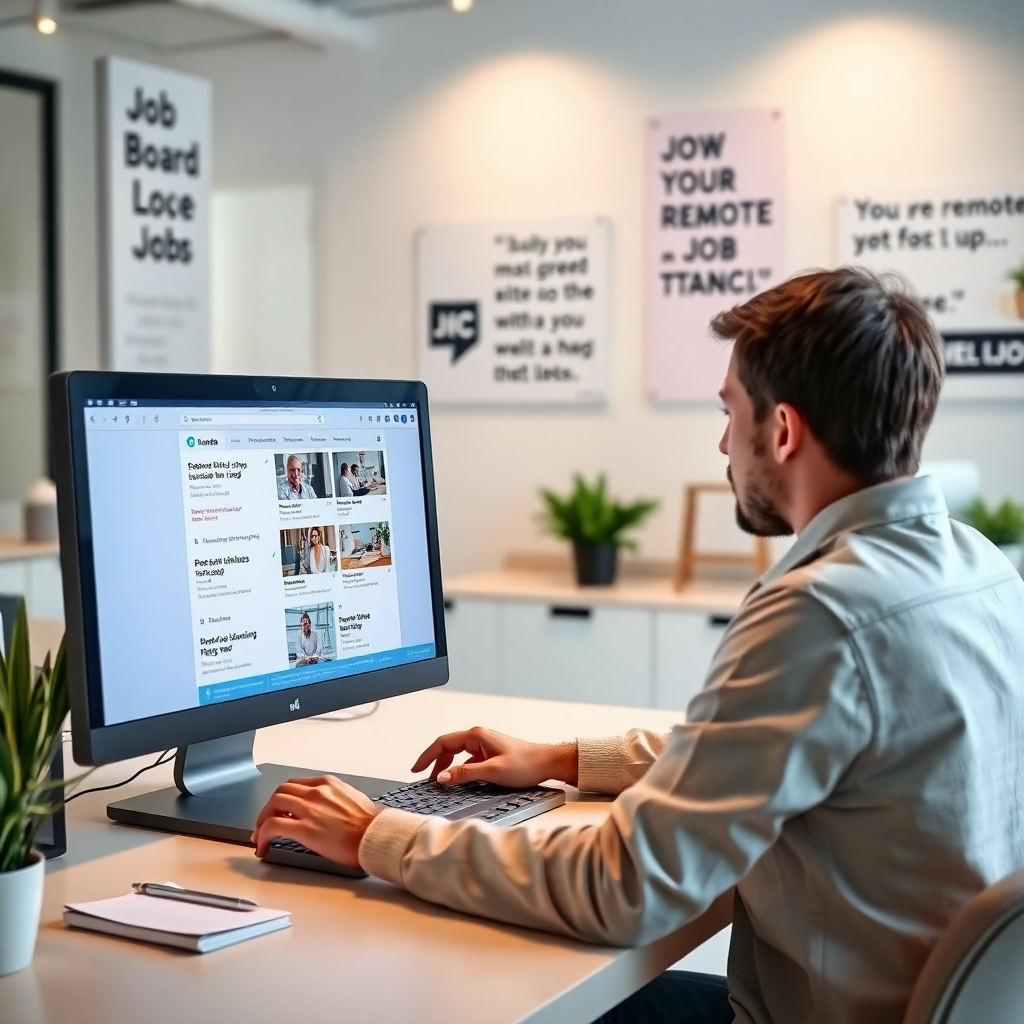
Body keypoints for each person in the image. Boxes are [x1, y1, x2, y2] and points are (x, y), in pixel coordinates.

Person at [253, 268, 1024, 1024]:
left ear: (782, 430)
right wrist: (563, 759)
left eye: (731, 413)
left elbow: (624, 887)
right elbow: (783, 743)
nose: (724, 444)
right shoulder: (982, 570)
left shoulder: (820, 611)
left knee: (469, 998)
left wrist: (377, 835)